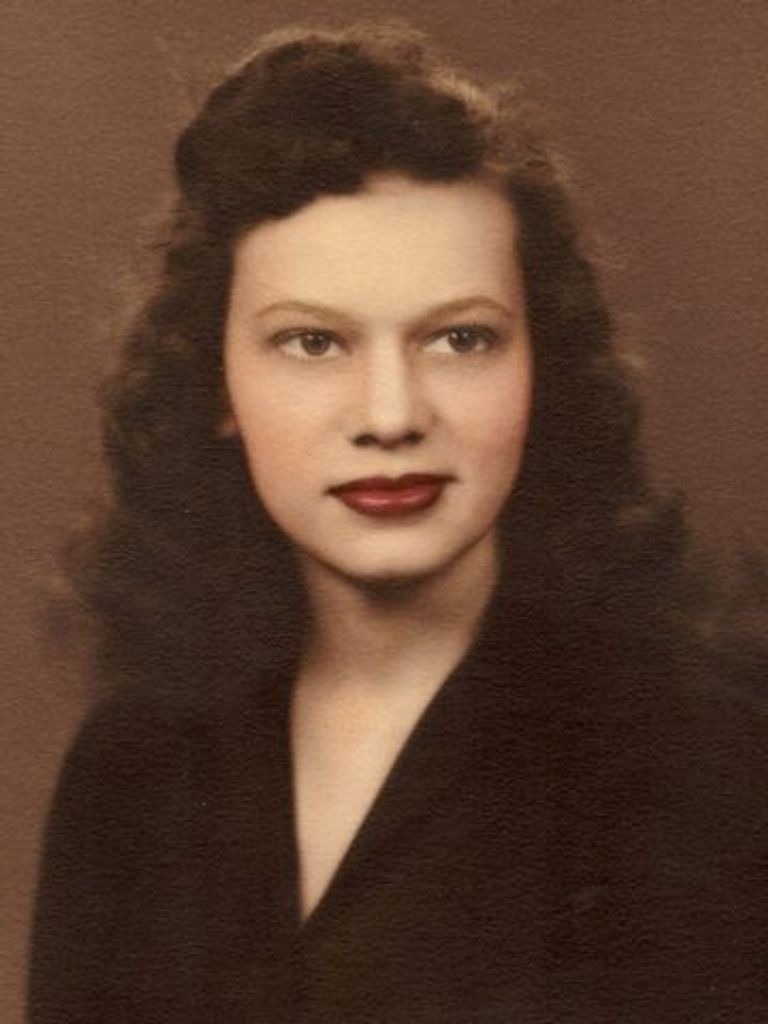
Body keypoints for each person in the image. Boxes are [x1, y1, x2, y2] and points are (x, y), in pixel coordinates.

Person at [28, 22, 766, 1024]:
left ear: (540, 366)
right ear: (216, 383)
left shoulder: (711, 753)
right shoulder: (133, 764)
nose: (389, 415)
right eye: (312, 342)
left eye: (460, 338)